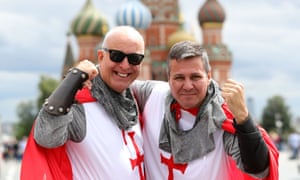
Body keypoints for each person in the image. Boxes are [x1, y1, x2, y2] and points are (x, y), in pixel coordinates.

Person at [130, 41, 279, 180]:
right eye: (179, 78)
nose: (187, 86)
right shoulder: (152, 95)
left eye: (195, 77)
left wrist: (243, 118)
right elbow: (114, 84)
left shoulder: (221, 116)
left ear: (208, 77)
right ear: (168, 78)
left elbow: (260, 169)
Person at [21, 26, 146, 180]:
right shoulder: (80, 105)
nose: (125, 65)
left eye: (134, 58)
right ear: (101, 56)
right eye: (116, 56)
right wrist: (74, 78)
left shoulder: (137, 101)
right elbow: (46, 136)